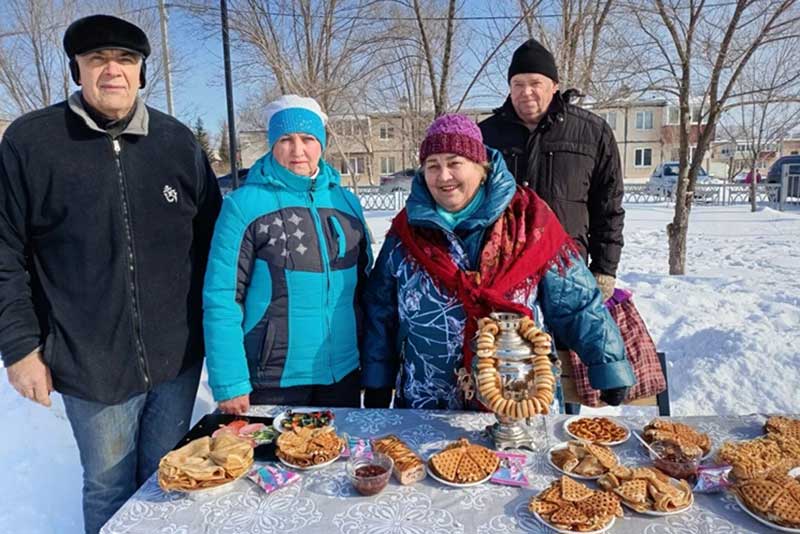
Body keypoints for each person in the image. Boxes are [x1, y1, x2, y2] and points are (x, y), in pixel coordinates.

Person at [0, 14, 221, 534]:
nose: (113, 71)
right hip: (90, 361)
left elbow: (216, 243)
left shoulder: (176, 142)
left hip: (177, 356)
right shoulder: (32, 144)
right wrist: (20, 348)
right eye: (97, 59)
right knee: (108, 486)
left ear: (141, 71)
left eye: (126, 60)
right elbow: (4, 250)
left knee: (170, 476)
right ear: (77, 69)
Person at [360, 114, 634, 410]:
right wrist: (378, 379)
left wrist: (607, 364)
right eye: (432, 166)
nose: (443, 176)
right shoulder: (407, 230)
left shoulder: (528, 222)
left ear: (482, 167)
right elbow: (381, 310)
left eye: (455, 163)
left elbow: (575, 301)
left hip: (517, 395)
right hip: (428, 399)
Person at [203, 95, 371, 414]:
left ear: (321, 143)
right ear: (272, 144)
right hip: (273, 380)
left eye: (308, 139)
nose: (298, 150)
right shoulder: (244, 206)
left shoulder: (346, 203)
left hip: (343, 374)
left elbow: (365, 288)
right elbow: (222, 298)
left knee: (339, 461)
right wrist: (230, 382)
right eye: (286, 139)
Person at [479, 38, 624, 300]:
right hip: (503, 275)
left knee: (571, 342)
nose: (526, 92)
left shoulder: (592, 132)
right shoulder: (485, 136)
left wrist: (604, 269)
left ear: (554, 86)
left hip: (568, 269)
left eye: (536, 83)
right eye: (518, 84)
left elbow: (608, 208)